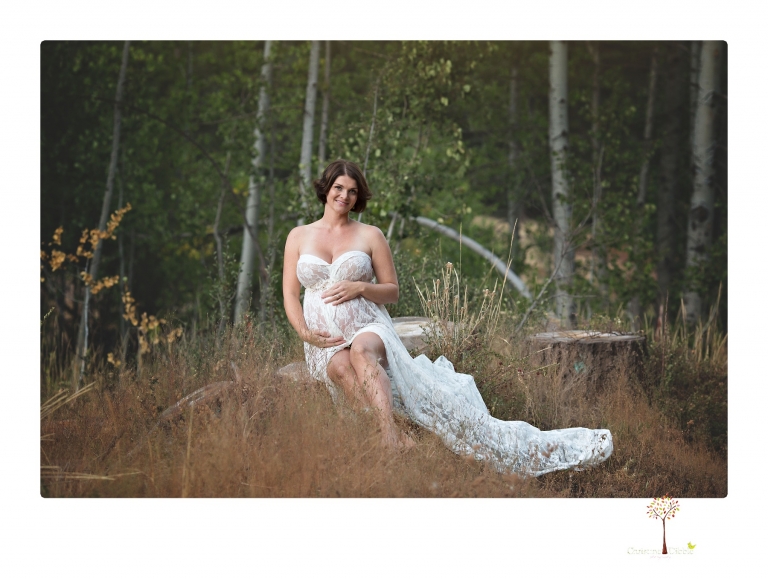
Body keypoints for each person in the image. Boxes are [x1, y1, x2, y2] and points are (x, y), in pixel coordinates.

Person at [283, 159, 613, 476]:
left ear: (358, 197)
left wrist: (360, 287)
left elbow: (392, 291)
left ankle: (388, 437)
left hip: (366, 325)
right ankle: (396, 436)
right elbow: (289, 294)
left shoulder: (370, 235)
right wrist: (305, 333)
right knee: (340, 368)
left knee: (360, 352)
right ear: (326, 188)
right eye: (339, 187)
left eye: (353, 191)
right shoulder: (299, 236)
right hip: (322, 339)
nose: (345, 195)